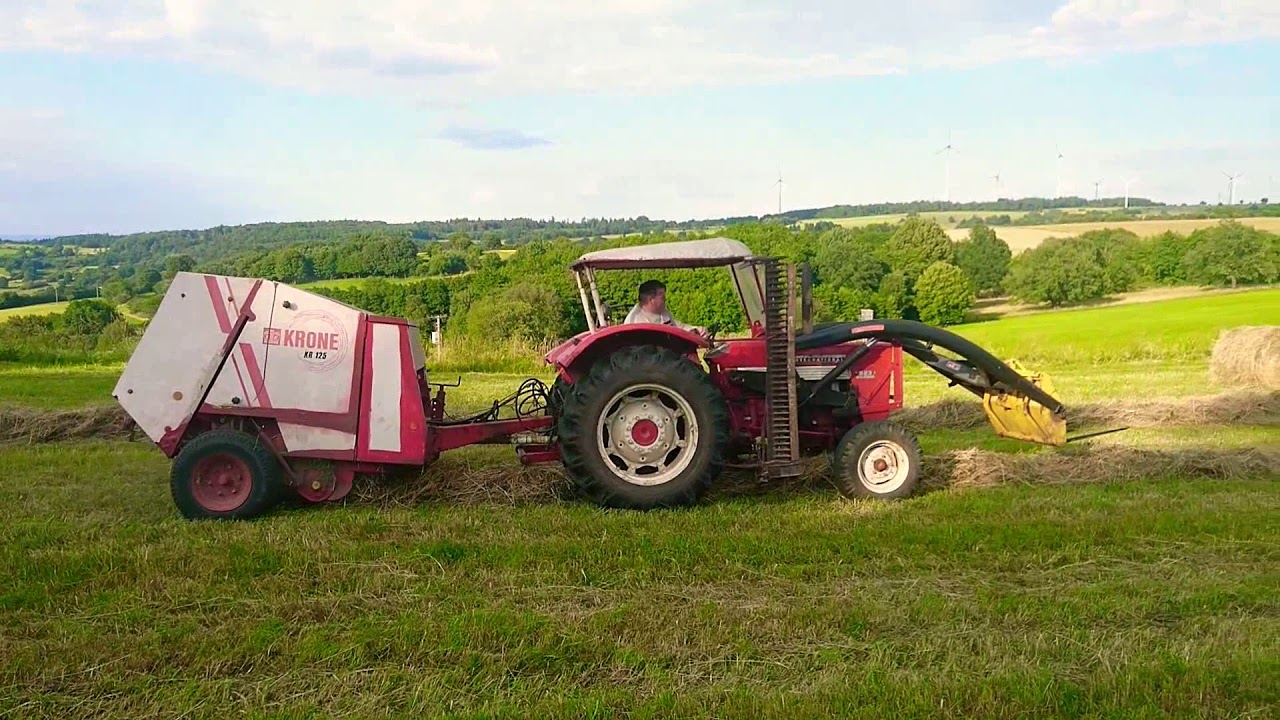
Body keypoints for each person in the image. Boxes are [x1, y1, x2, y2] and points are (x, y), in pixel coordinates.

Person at [623, 279, 708, 338]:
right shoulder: (634, 321)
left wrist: (696, 329)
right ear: (651, 299)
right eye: (662, 297)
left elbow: (679, 327)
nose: (665, 300)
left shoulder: (663, 313)